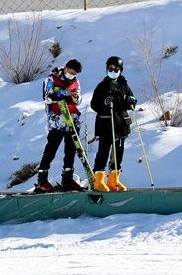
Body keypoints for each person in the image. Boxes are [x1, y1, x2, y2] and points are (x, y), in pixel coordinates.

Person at [36, 59, 85, 192]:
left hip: (71, 118)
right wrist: (64, 93)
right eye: (70, 72)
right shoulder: (52, 78)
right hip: (56, 119)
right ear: (65, 68)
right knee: (51, 148)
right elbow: (47, 97)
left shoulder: (75, 81)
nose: (72, 75)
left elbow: (78, 99)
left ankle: (67, 178)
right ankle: (42, 179)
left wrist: (75, 97)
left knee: (71, 150)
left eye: (74, 74)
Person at [89, 56, 137, 192]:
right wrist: (104, 104)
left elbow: (131, 100)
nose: (113, 71)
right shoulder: (102, 86)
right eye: (110, 69)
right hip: (106, 123)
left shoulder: (124, 85)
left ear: (121, 70)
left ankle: (113, 180)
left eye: (116, 69)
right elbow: (94, 104)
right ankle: (98, 181)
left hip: (121, 124)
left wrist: (132, 101)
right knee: (103, 152)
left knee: (118, 154)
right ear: (107, 69)